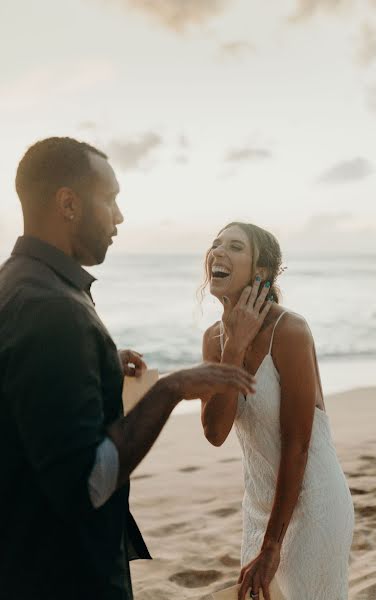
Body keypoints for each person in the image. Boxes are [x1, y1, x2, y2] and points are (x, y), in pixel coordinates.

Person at [0, 138, 256, 600]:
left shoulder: (16, 283)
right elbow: (88, 485)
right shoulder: (53, 308)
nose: (119, 216)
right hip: (63, 575)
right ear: (69, 203)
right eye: (111, 198)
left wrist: (97, 369)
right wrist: (172, 389)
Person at [200, 222, 355, 600]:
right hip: (258, 506)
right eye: (216, 244)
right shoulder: (213, 340)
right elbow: (216, 432)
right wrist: (233, 348)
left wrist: (272, 546)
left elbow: (298, 444)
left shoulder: (290, 331)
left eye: (234, 247)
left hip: (314, 501)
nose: (217, 252)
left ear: (261, 272)